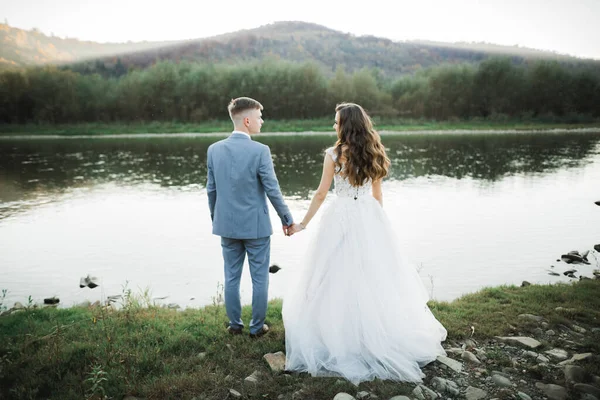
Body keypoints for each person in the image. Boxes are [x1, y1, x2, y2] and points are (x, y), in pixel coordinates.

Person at [283, 103, 447, 384]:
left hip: (343, 216)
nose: (333, 126)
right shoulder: (374, 150)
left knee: (335, 273)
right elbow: (377, 193)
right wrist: (378, 225)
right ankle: (374, 331)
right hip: (369, 214)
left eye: (336, 122)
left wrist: (303, 224)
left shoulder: (334, 155)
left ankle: (341, 334)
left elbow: (322, 194)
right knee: (373, 275)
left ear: (345, 125)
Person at [207, 97, 296, 338]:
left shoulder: (214, 150)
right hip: (256, 227)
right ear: (247, 121)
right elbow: (272, 189)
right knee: (259, 279)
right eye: (259, 117)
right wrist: (286, 218)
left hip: (226, 225)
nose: (262, 121)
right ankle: (257, 328)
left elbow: (211, 190)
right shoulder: (260, 151)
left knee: (231, 277)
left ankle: (235, 325)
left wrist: (217, 218)